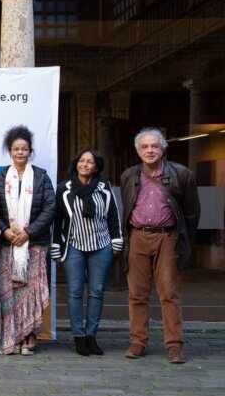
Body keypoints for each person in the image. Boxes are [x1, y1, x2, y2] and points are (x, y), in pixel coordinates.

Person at [120, 127, 200, 364]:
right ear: (138, 151)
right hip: (137, 236)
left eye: (154, 146)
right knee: (137, 294)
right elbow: (127, 206)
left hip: (167, 237)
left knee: (169, 294)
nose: (150, 150)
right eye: (144, 147)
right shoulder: (129, 175)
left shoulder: (182, 174)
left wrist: (180, 238)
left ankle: (174, 345)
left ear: (163, 149)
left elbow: (192, 213)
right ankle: (138, 342)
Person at [0, 125, 55, 355]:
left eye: (24, 149)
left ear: (30, 152)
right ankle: (11, 336)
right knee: (9, 293)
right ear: (10, 152)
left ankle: (29, 336)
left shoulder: (41, 176)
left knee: (30, 292)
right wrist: (4, 230)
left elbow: (50, 207)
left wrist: (29, 232)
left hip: (34, 245)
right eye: (16, 149)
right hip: (8, 245)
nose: (20, 152)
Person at [52, 149, 122, 356]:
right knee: (74, 292)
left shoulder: (104, 188)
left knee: (96, 291)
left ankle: (91, 335)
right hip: (73, 246)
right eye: (81, 161)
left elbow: (113, 216)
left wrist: (116, 241)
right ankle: (79, 336)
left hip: (101, 246)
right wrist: (56, 246)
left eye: (89, 162)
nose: (84, 164)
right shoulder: (64, 188)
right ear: (76, 164)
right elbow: (57, 220)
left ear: (96, 166)